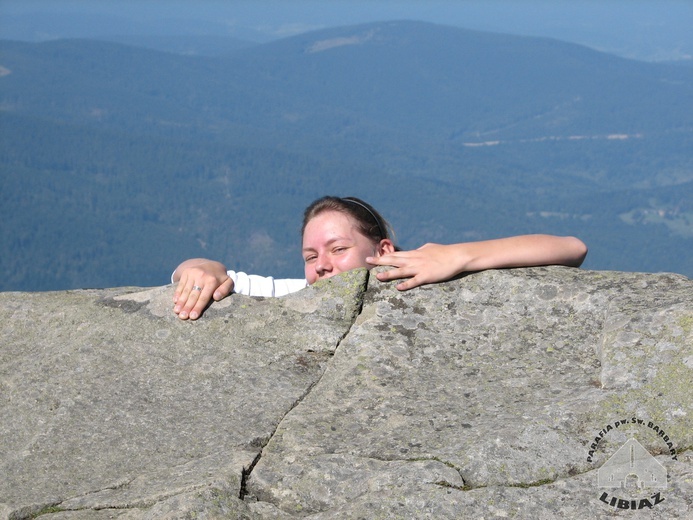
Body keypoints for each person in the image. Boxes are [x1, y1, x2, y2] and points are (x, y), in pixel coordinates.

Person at [172, 195, 587, 320]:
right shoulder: (296, 293)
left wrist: (460, 257)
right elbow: (202, 272)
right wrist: (200, 268)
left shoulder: (426, 273)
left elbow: (571, 248)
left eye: (339, 249)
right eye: (310, 255)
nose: (322, 265)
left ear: (384, 250)